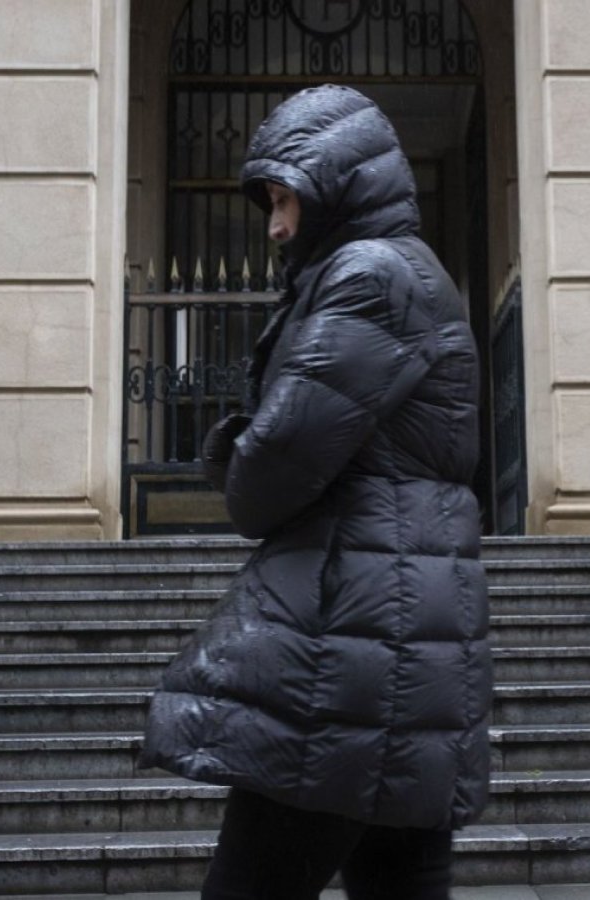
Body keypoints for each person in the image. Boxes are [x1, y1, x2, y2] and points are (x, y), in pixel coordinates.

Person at [140, 84, 492, 900]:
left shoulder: (368, 276)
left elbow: (274, 470)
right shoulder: (412, 273)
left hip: (343, 651)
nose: (274, 224)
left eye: (284, 199)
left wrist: (230, 451)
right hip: (412, 644)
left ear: (335, 185)